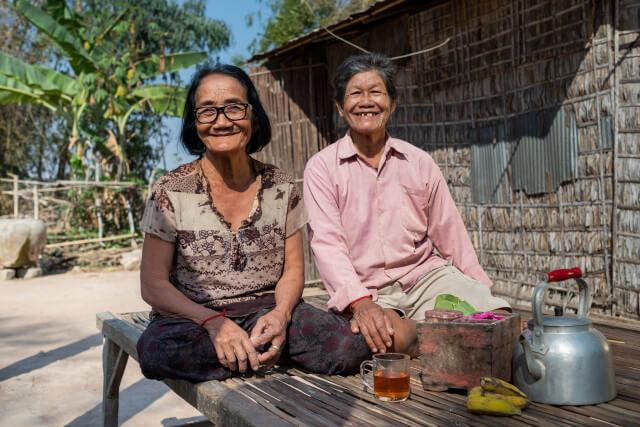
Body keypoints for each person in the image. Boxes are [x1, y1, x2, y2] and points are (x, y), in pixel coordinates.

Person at [136, 64, 370, 383]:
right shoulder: (170, 191)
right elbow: (153, 285)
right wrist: (213, 322)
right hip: (193, 319)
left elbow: (293, 271)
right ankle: (262, 354)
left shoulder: (281, 186)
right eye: (207, 111)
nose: (222, 121)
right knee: (156, 352)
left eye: (234, 107)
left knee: (349, 347)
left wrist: (281, 314)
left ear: (252, 116)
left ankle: (253, 350)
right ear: (194, 121)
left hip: (266, 311)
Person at [303, 53, 510, 357]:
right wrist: (361, 303)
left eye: (376, 92)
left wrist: (479, 289)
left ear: (393, 103)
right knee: (386, 339)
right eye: (355, 93)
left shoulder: (419, 161)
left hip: (426, 278)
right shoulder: (322, 168)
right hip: (370, 292)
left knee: (498, 320)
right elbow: (327, 245)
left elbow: (450, 232)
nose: (366, 102)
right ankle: (430, 331)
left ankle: (430, 331)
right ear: (340, 107)